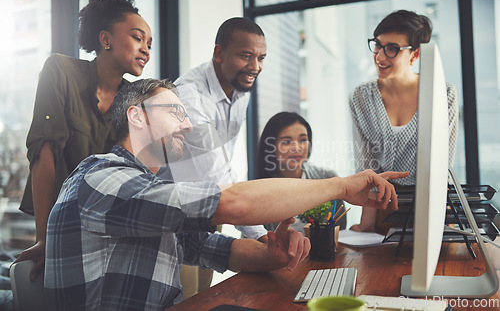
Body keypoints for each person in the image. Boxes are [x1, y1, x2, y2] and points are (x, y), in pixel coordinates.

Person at [44, 78, 407, 310]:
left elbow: (215, 248)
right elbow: (233, 203)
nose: (187, 124)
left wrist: (272, 254)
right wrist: (342, 186)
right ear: (137, 117)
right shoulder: (100, 177)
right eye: (175, 112)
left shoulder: (150, 189)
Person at [15, 0, 152, 279]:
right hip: (57, 220)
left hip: (105, 229)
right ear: (106, 39)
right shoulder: (60, 71)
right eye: (138, 38)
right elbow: (44, 154)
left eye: (149, 44)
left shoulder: (134, 100)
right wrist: (44, 238)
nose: (146, 50)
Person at [172, 17, 267, 296]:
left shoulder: (240, 89)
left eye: (261, 57)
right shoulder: (188, 95)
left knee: (204, 295)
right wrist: (261, 236)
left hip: (209, 208)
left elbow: (224, 161)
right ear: (218, 53)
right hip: (176, 217)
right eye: (246, 56)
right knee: (186, 301)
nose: (255, 67)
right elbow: (215, 172)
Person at [349, 10, 458, 233]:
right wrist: (366, 225)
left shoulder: (442, 94)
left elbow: (442, 165)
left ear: (415, 55)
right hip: (381, 206)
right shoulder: (360, 97)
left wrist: (443, 220)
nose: (379, 56)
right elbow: (366, 167)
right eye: (377, 45)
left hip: (429, 206)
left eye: (392, 49)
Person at [256, 112, 346, 232]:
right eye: (287, 142)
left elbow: (340, 230)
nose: (297, 148)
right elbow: (251, 238)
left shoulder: (328, 179)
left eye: (303, 140)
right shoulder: (259, 188)